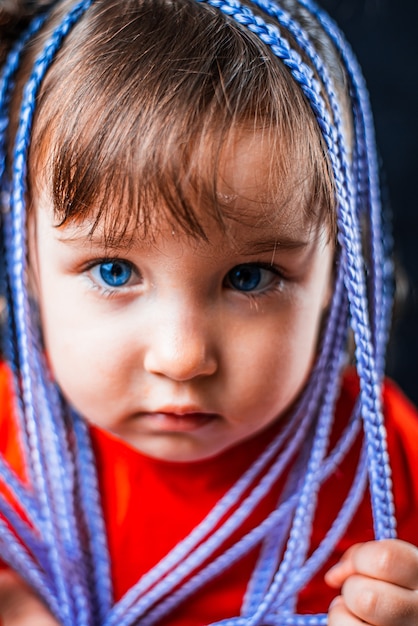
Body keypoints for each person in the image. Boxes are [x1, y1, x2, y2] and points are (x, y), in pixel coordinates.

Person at [0, 0, 417, 624]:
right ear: (22, 253)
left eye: (250, 277)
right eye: (114, 271)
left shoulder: (382, 453)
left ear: (342, 266)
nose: (182, 357)